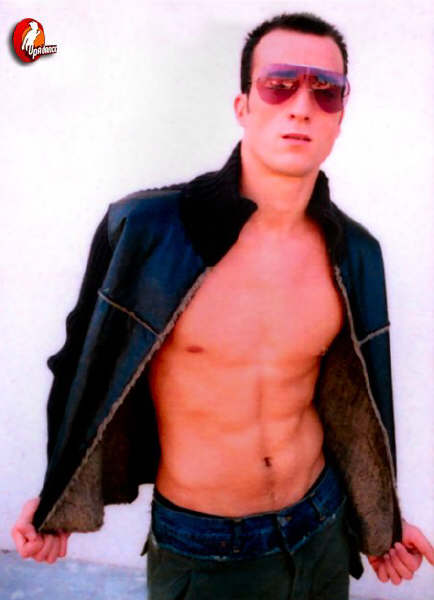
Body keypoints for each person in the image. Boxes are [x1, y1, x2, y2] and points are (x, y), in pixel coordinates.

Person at [11, 12, 433, 599]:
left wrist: (381, 523)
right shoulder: (147, 230)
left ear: (340, 117)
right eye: (279, 84)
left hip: (320, 529)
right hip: (204, 549)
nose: (302, 106)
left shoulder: (354, 254)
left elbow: (361, 406)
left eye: (326, 90)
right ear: (243, 106)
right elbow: (82, 366)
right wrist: (56, 499)